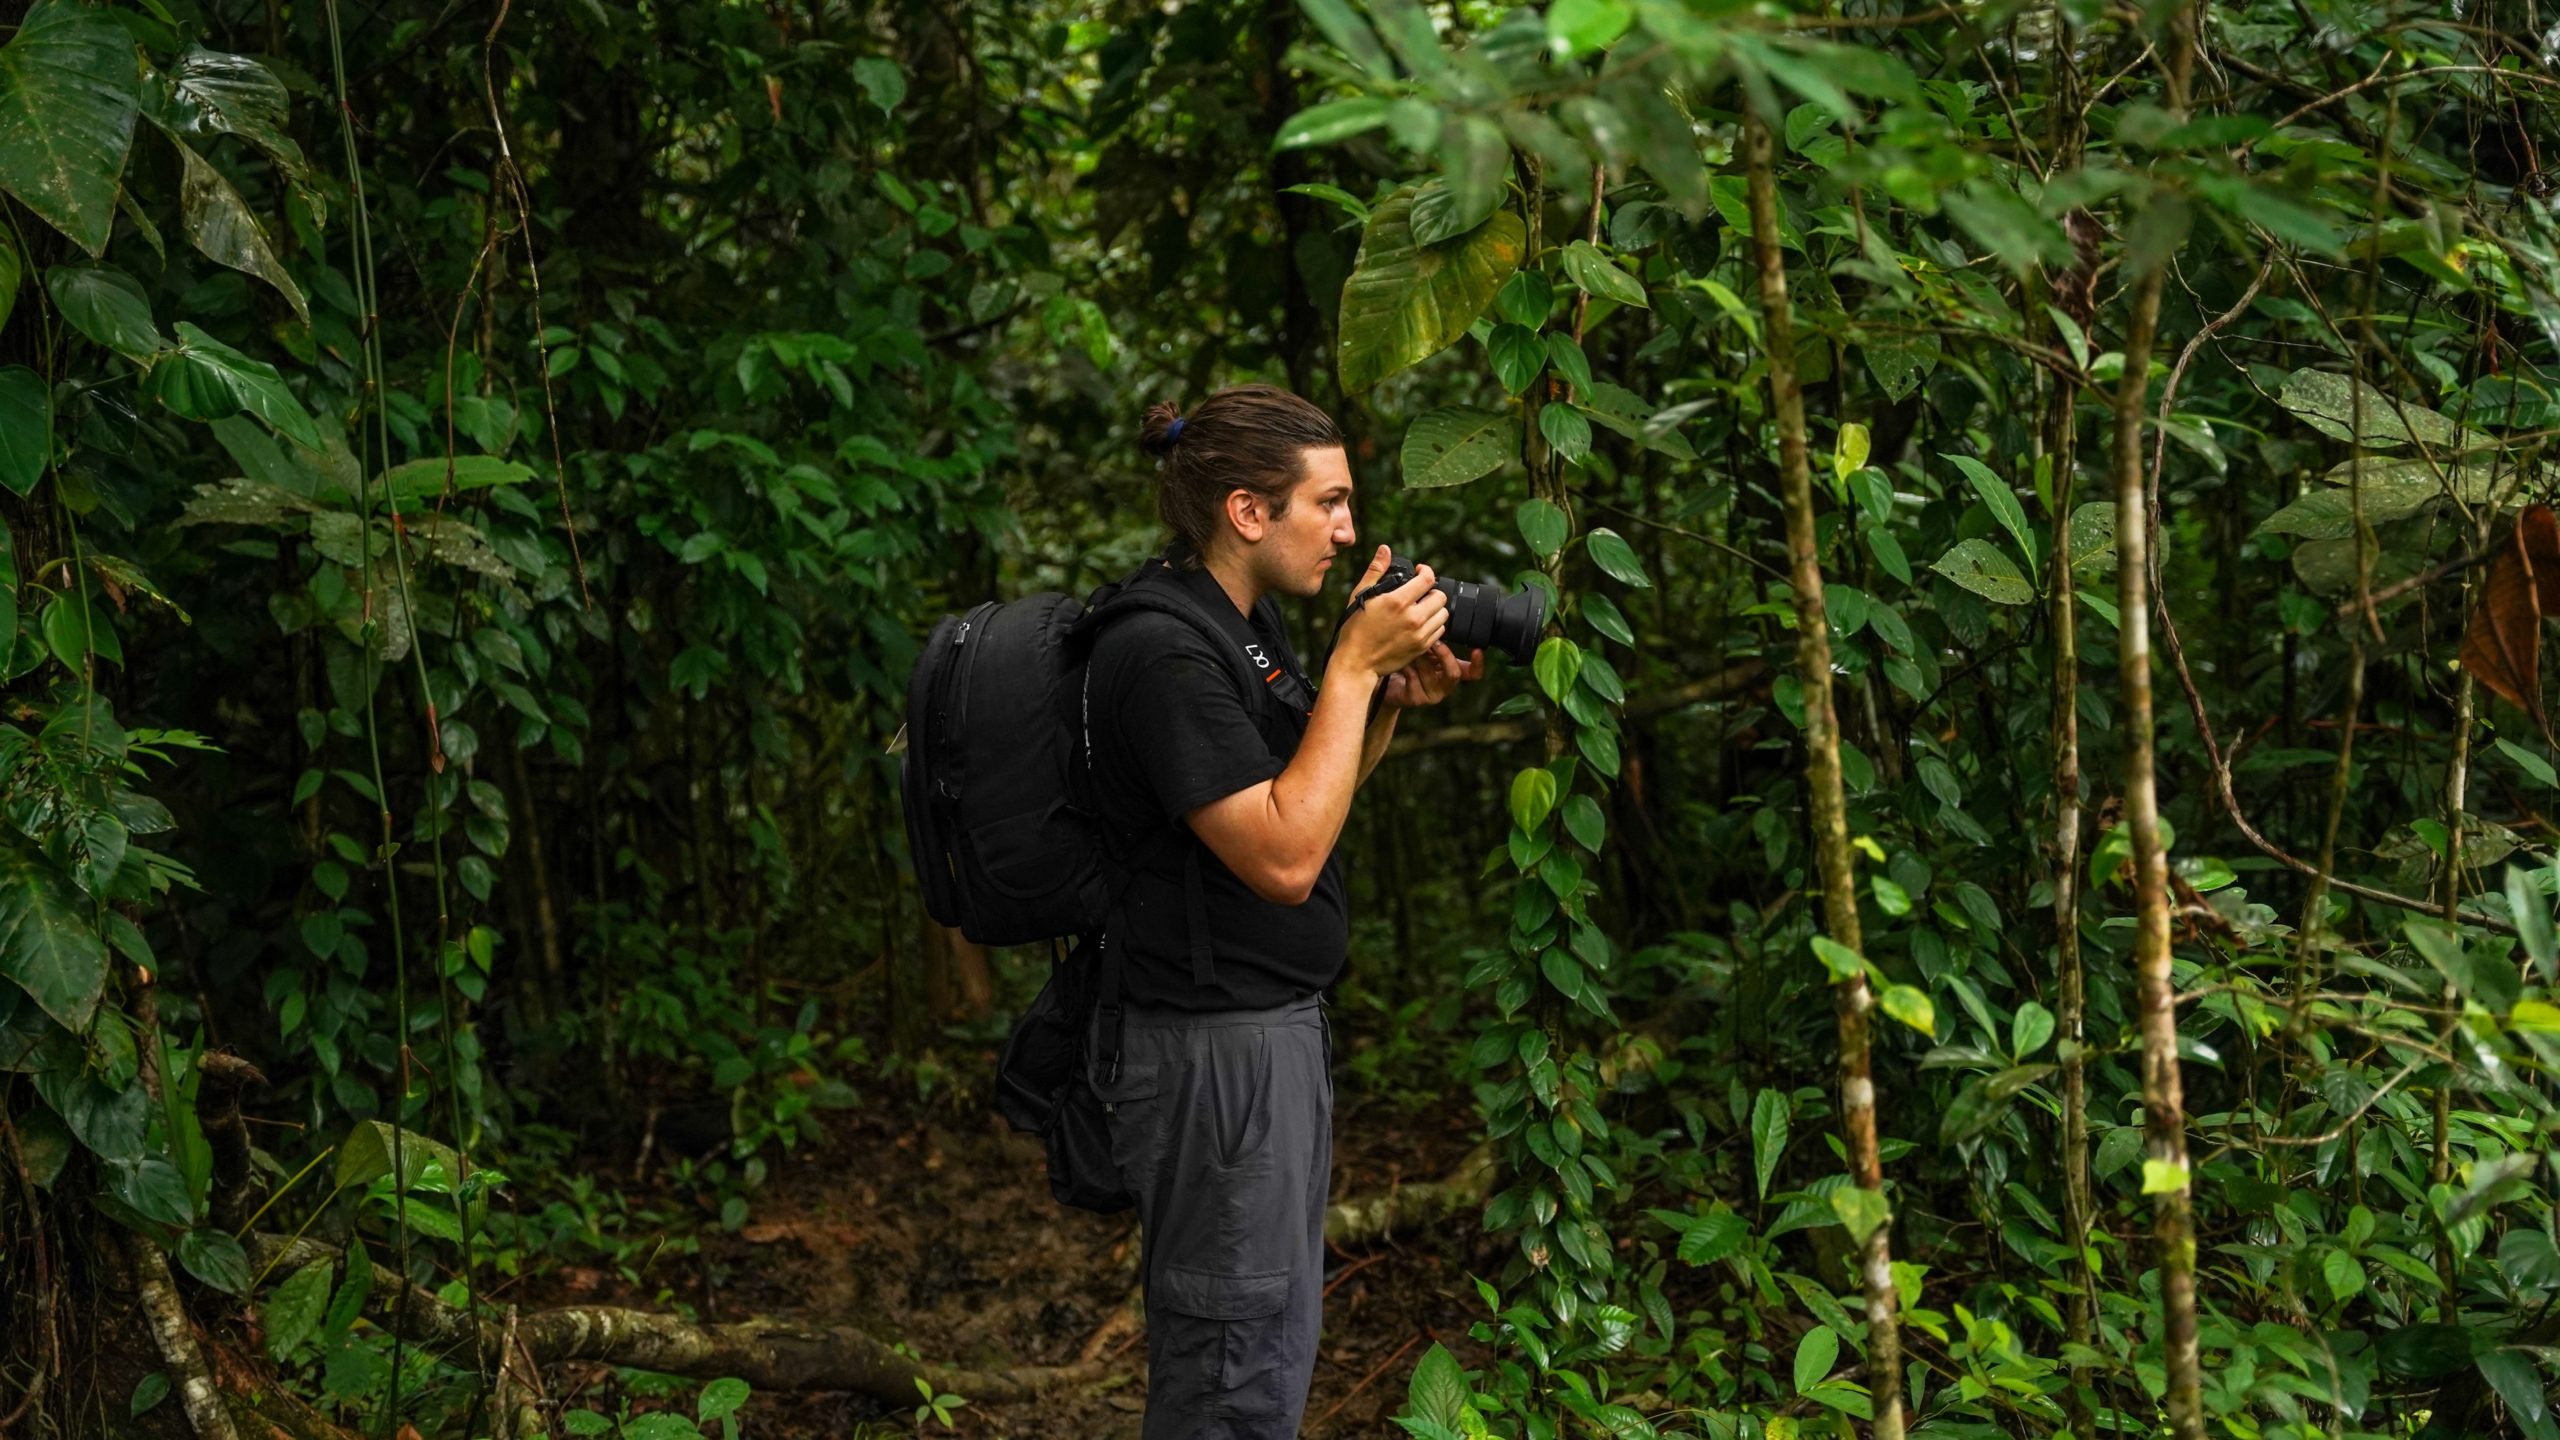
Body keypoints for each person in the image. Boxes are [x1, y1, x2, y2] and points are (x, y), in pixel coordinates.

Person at [1082, 383, 1482, 1437]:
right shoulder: (1163, 649)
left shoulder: (1239, 626)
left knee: (1264, 1349)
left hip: (1263, 1038)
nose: (1351, 531)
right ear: (1249, 513)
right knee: (1231, 1365)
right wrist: (1353, 664)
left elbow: (1299, 799)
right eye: (1332, 503)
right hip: (1212, 1052)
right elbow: (1285, 859)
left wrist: (1380, 705)